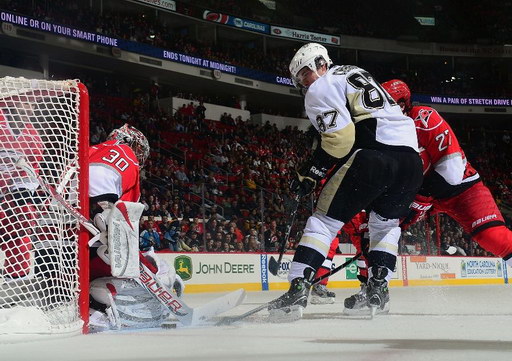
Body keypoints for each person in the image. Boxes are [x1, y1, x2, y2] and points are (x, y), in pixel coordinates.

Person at [267, 43, 423, 318]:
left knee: (323, 221)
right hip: (411, 161)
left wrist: (310, 171)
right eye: (301, 77)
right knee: (385, 226)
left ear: (319, 64)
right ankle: (377, 290)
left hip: (376, 155)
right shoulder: (354, 72)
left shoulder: (319, 87)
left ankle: (297, 290)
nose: (305, 81)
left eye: (305, 73)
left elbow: (340, 140)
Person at [344, 79, 512, 314]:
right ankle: (375, 289)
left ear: (404, 103)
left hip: (461, 189)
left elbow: (452, 171)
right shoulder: (377, 129)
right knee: (372, 229)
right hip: (414, 192)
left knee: (493, 238)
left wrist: (420, 199)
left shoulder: (425, 118)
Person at [87, 123, 184, 330]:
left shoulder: (86, 151)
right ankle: (103, 310)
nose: (139, 157)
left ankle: (92, 308)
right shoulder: (122, 150)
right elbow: (98, 175)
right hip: (90, 242)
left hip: (64, 249)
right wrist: (104, 208)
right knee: (158, 270)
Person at [0, 102, 43, 279]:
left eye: (31, 105)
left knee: (24, 217)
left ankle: (16, 275)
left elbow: (32, 169)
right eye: (24, 104)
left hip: (10, 191)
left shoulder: (33, 136)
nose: (29, 109)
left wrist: (21, 193)